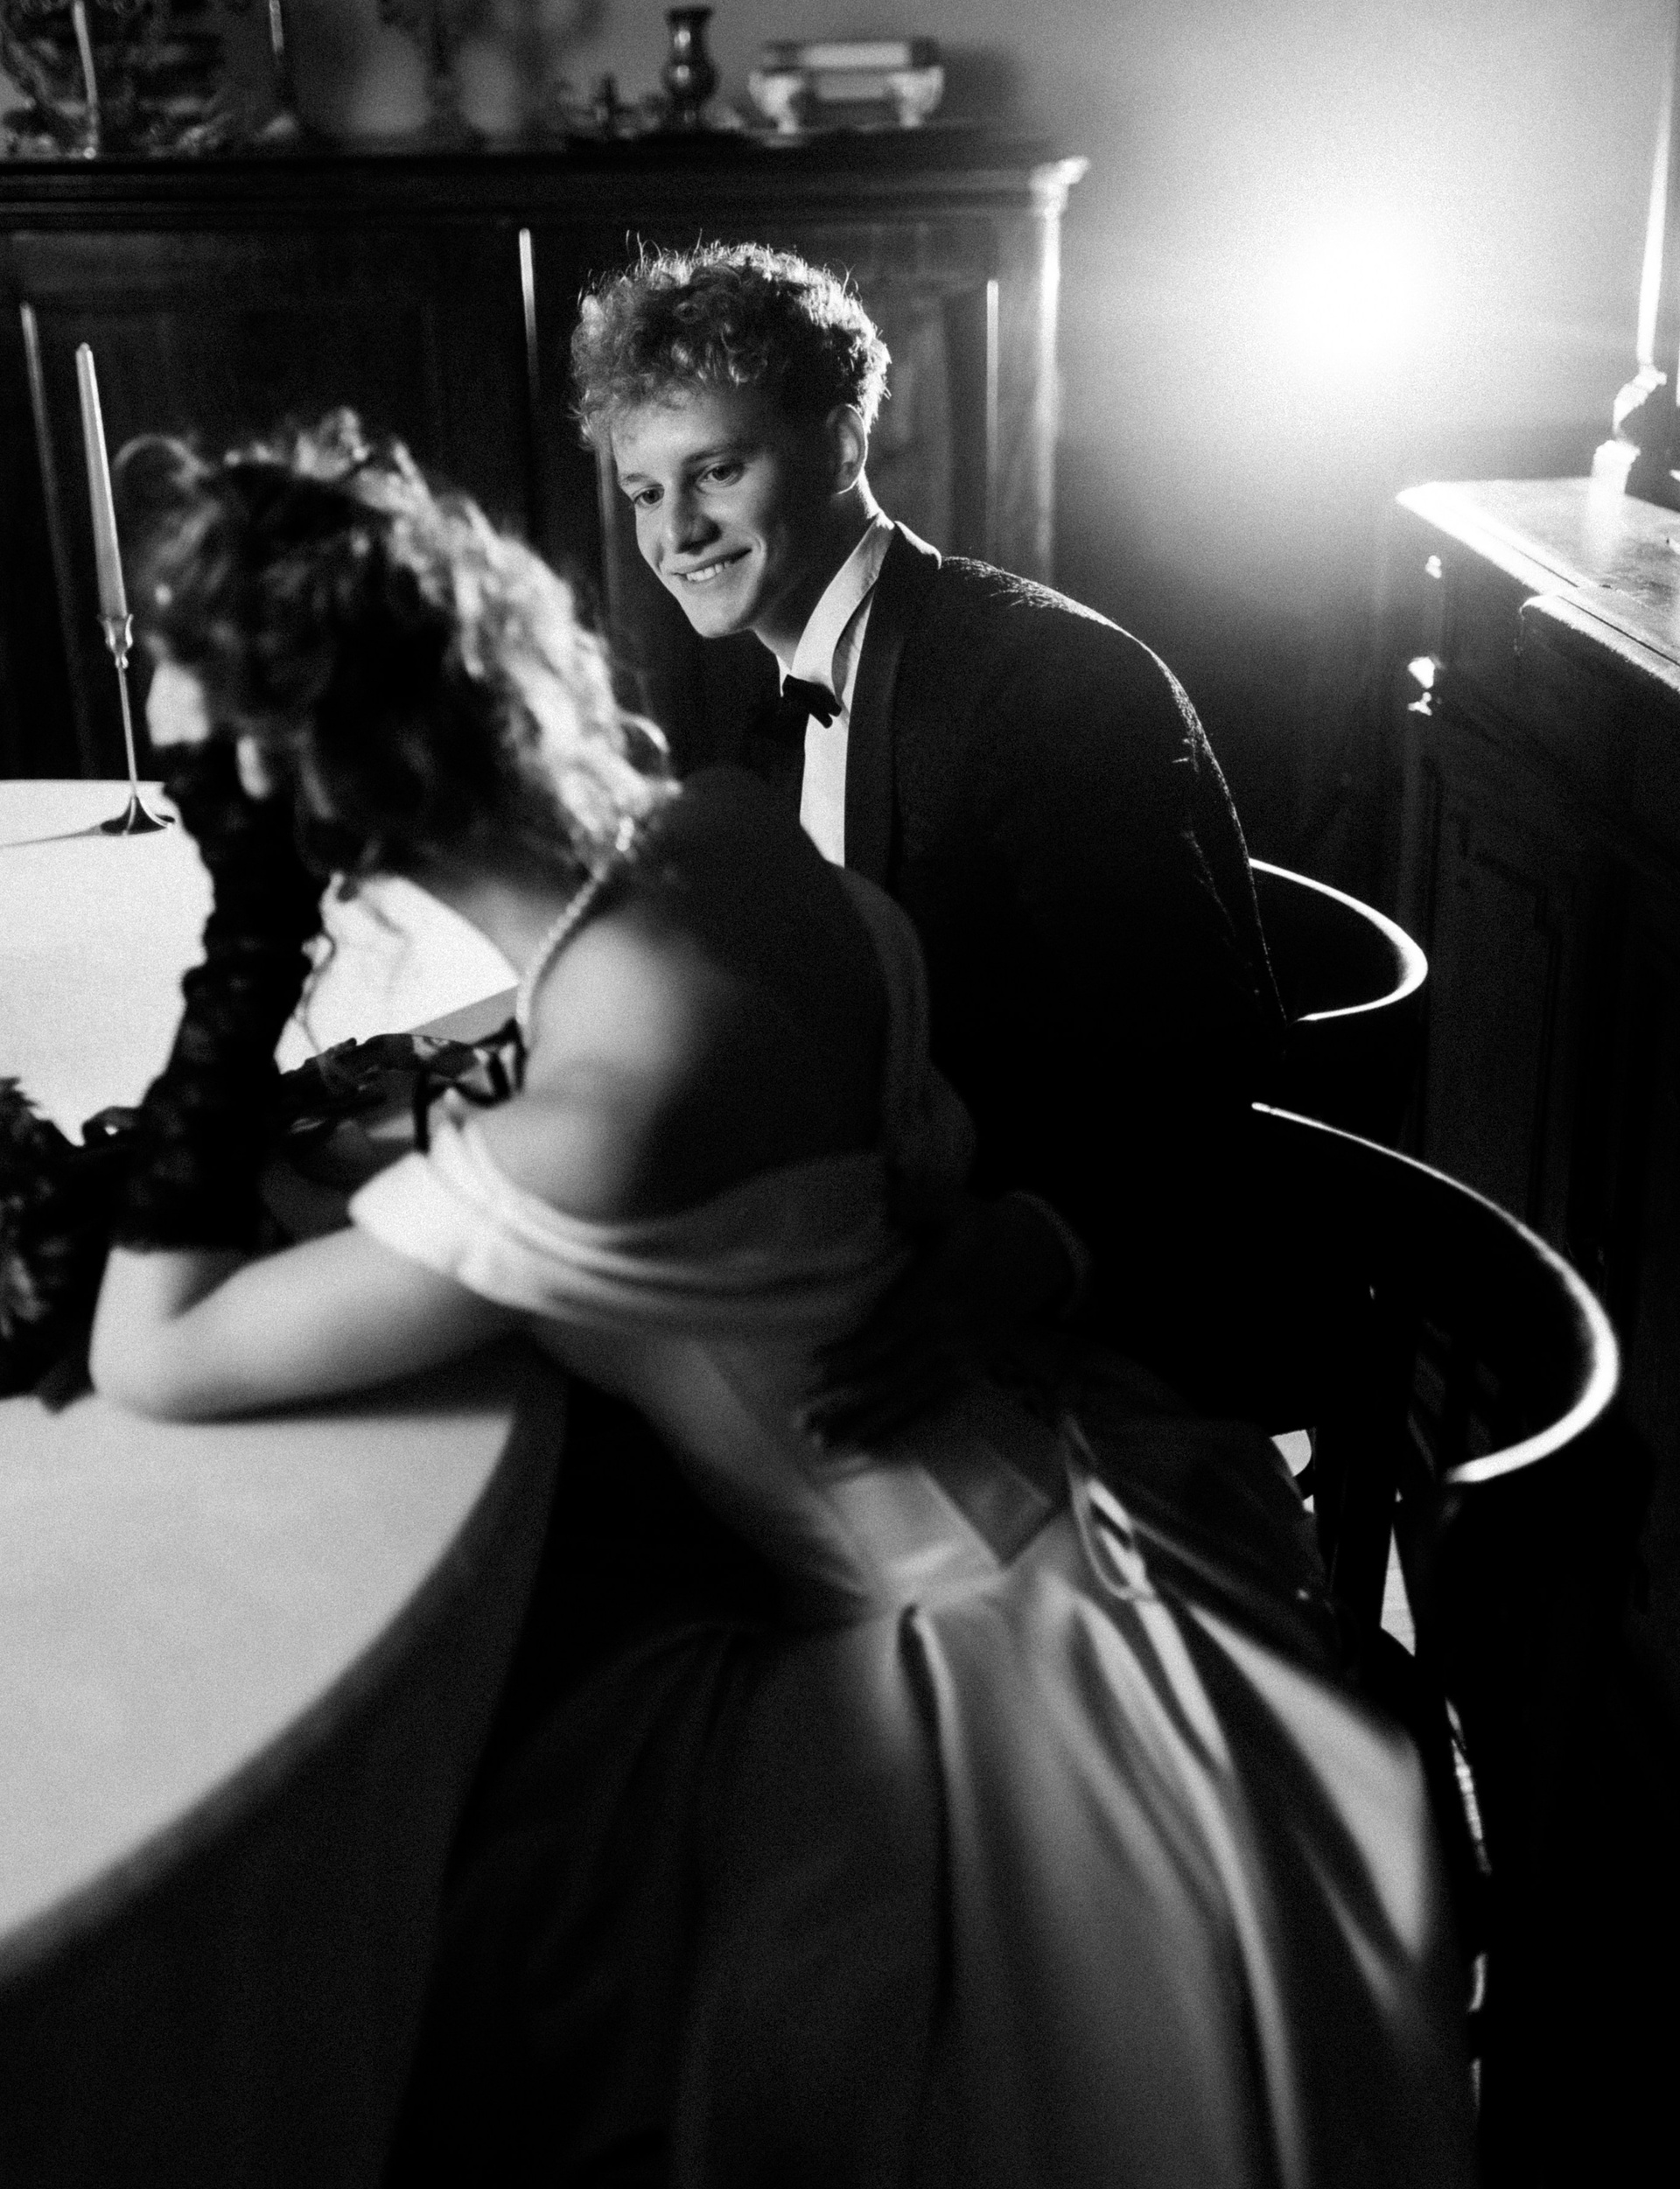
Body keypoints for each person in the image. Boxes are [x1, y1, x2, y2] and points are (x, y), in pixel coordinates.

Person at [88, 415, 1475, 2188]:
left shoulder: (597, 1115)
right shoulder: (729, 836)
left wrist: (243, 956)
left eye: (212, 785)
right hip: (1091, 1498)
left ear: (315, 804)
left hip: (958, 1670)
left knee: (411, 1872)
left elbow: (156, 1353)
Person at [570, 242, 1285, 1360]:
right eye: (645, 493)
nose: (676, 534)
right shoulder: (757, 690)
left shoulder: (1043, 688)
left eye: (717, 471)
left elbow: (1200, 1074)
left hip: (1077, 1316)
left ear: (844, 444)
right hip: (879, 1230)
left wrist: (997, 1272)